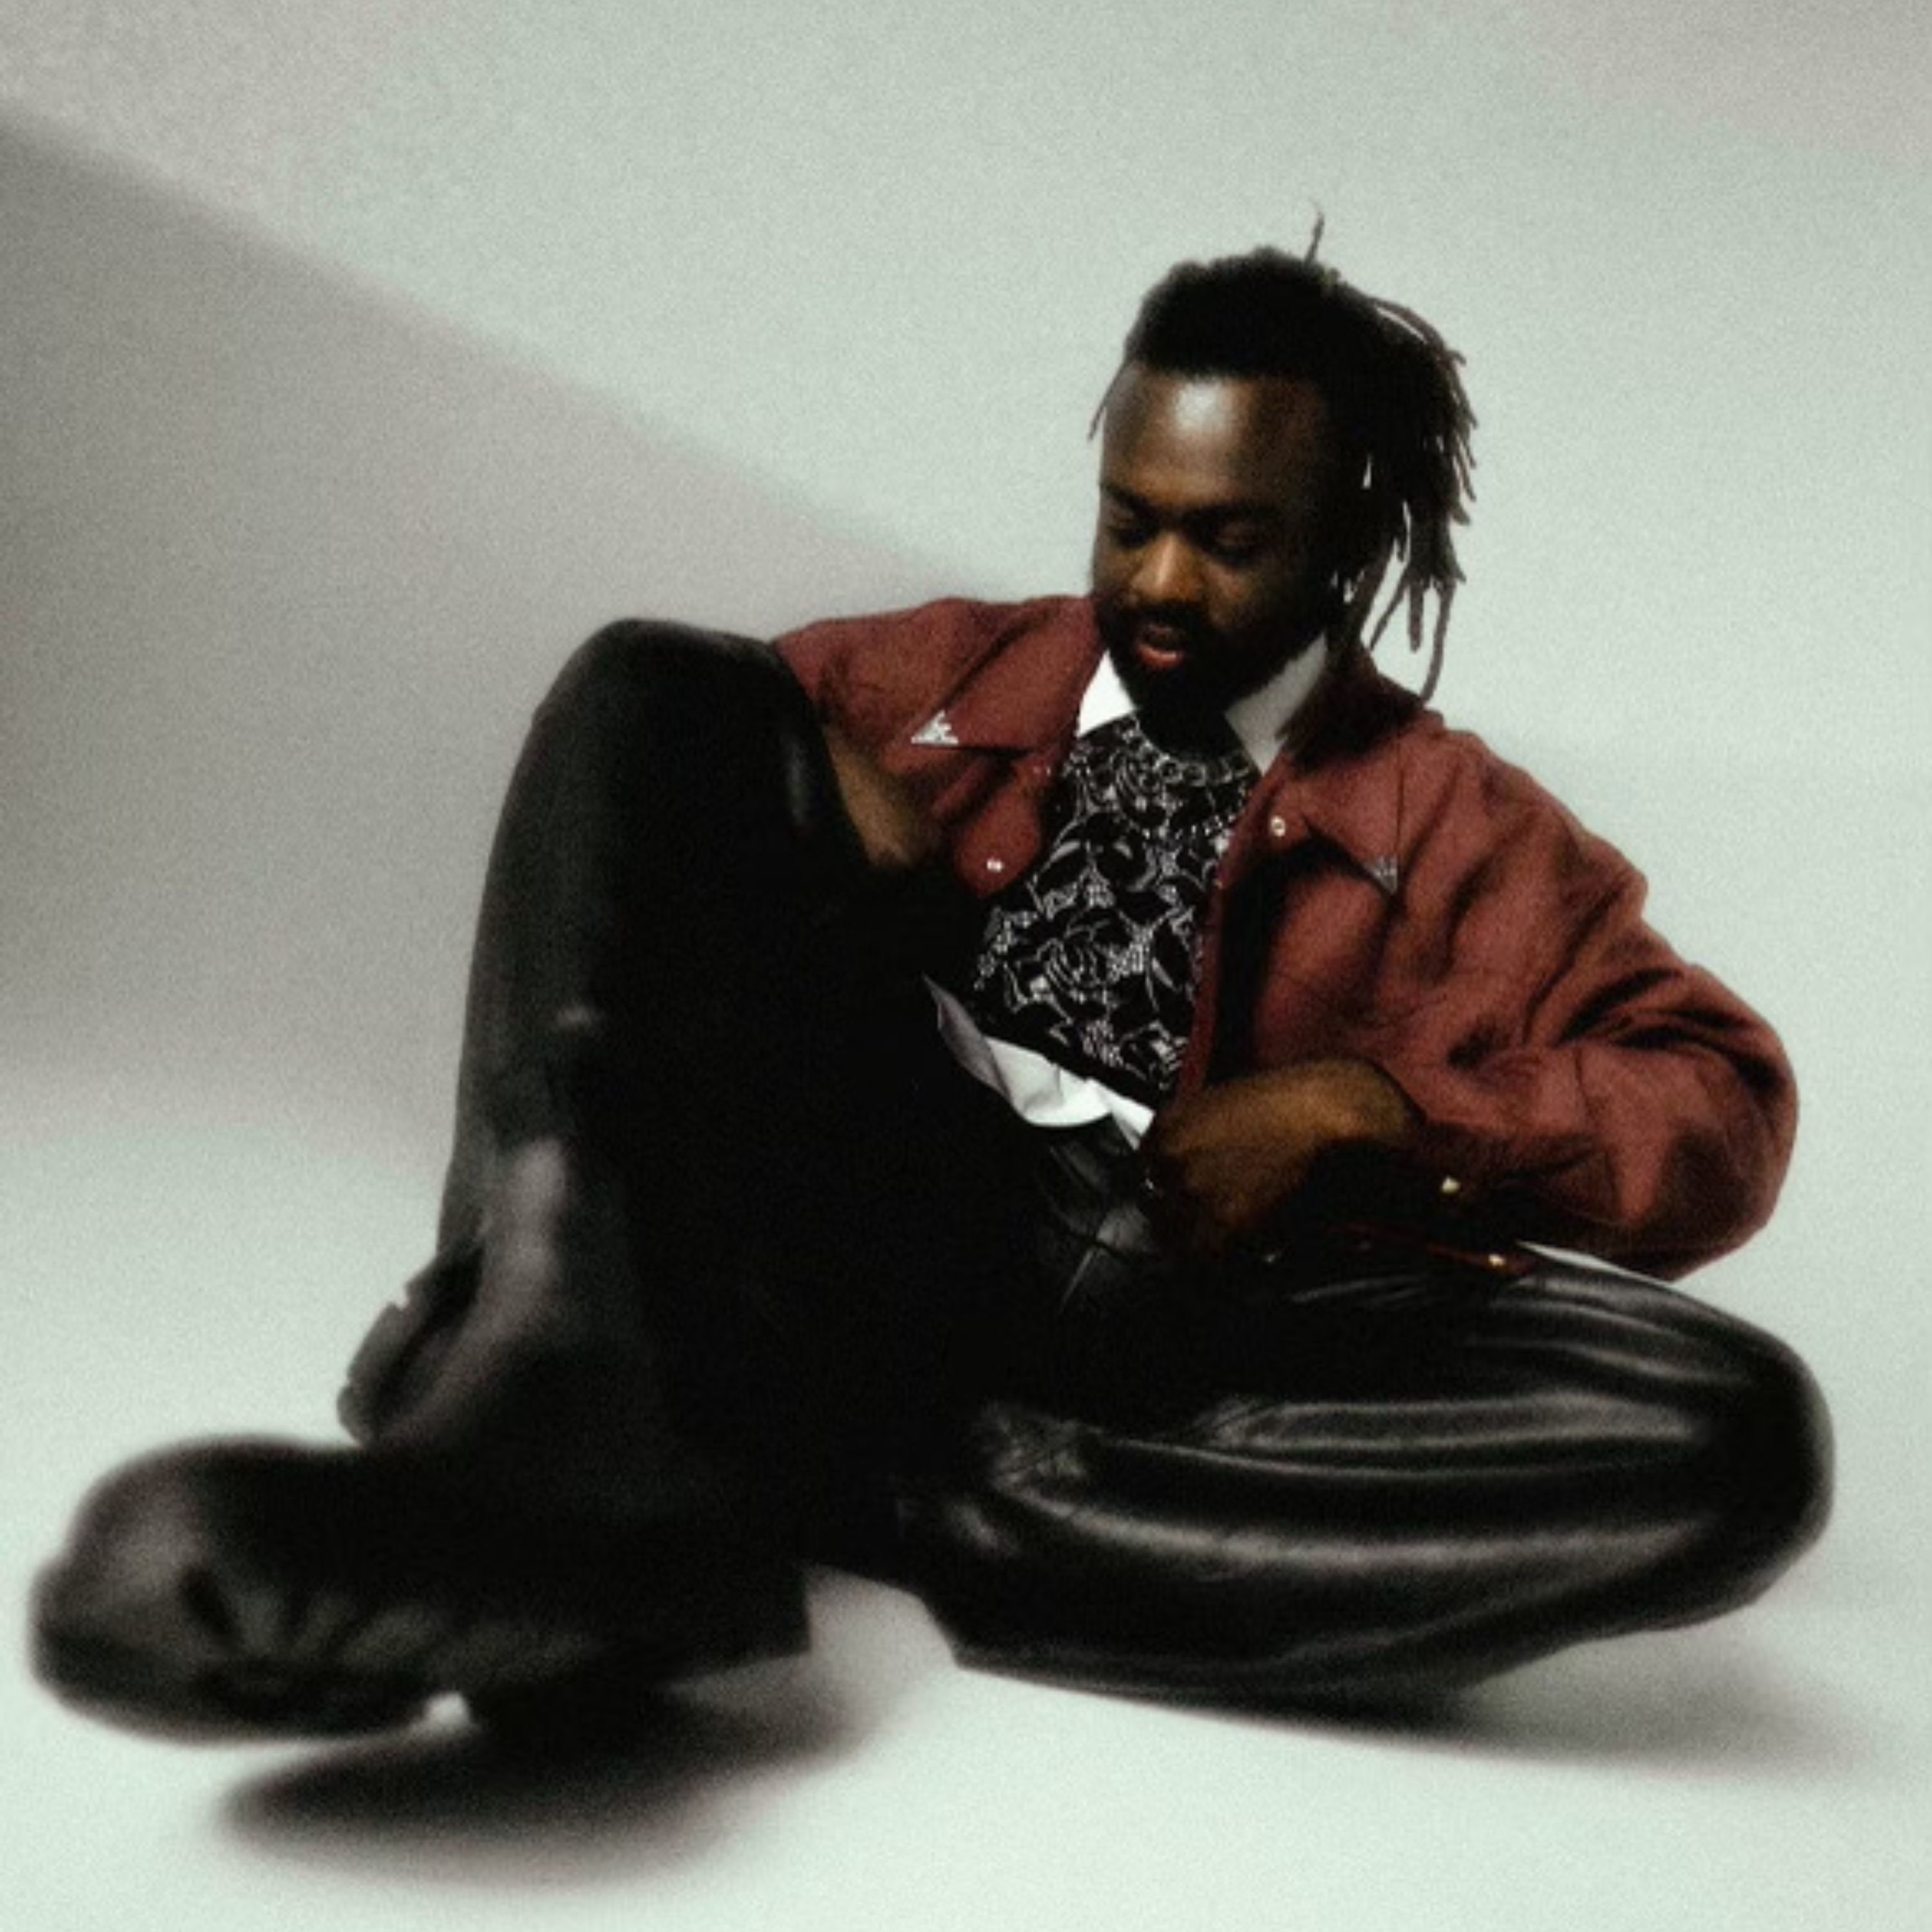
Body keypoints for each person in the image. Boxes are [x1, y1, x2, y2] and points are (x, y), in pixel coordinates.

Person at [32, 244, 1829, 1741]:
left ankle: (812, 1489)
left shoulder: (1463, 827)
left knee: (1736, 1437)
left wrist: (1374, 1109)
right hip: (874, 1197)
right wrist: (795, 755)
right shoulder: (959, 672)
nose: (1159, 584)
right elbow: (649, 826)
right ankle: (554, 1394)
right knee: (657, 677)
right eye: (1130, 522)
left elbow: (1719, 1109)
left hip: (1163, 1315)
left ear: (1346, 538)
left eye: (1230, 541)